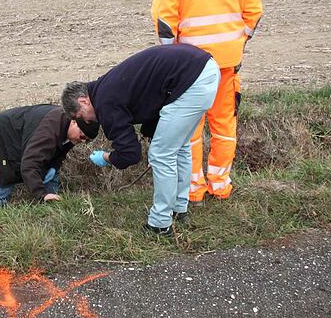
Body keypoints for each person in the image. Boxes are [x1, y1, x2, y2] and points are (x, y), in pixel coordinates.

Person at [151, 0, 263, 202]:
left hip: (191, 66)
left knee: (190, 129)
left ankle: (193, 189)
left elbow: (165, 20)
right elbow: (253, 13)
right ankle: (220, 184)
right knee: (225, 126)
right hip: (228, 62)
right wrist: (237, 44)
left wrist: (169, 60)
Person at [61, 45, 219, 235]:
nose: (88, 121)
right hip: (204, 68)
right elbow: (150, 101)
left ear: (83, 101)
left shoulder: (105, 102)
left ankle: (160, 224)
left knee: (162, 154)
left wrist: (106, 157)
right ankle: (179, 209)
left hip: (191, 80)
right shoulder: (106, 87)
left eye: (82, 116)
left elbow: (130, 153)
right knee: (180, 147)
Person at [0, 104, 99, 206]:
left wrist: (53, 167)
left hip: (23, 135)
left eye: (87, 140)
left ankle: (52, 209)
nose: (83, 141)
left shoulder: (71, 131)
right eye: (83, 137)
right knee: (5, 185)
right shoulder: (48, 131)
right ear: (74, 122)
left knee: (51, 172)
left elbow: (58, 155)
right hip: (1, 133)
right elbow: (29, 164)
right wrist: (41, 194)